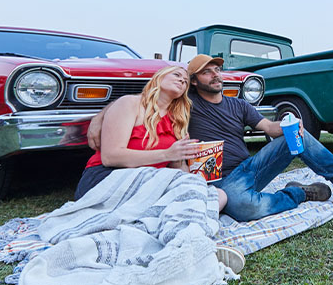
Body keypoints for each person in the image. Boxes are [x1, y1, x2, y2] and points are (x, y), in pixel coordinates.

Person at [89, 55, 333, 223]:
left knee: (298, 136)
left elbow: (268, 128)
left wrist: (290, 125)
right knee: (246, 210)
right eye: (207, 72)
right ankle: (301, 193)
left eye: (218, 70)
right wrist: (101, 117)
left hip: (252, 167)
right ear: (194, 81)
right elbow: (148, 100)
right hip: (218, 180)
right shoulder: (186, 103)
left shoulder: (239, 104)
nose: (216, 75)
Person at [75, 65, 245, 272]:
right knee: (190, 191)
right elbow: (111, 156)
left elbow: (178, 171)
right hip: (108, 179)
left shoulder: (177, 121)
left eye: (185, 79)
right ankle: (189, 246)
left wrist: (195, 178)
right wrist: (167, 154)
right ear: (158, 78)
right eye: (176, 75)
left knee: (218, 195)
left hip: (151, 185)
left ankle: (177, 239)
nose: (182, 80)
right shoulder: (130, 104)